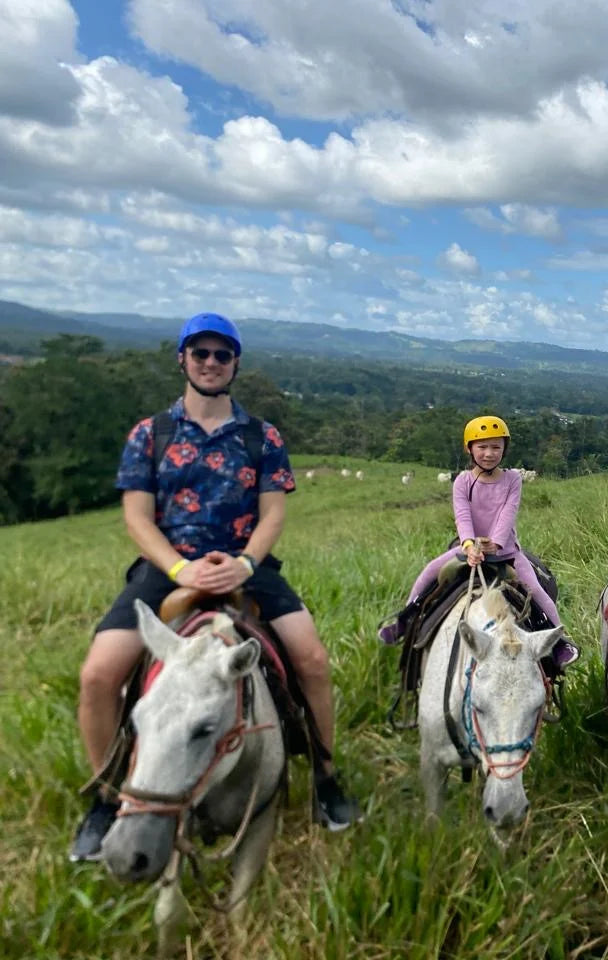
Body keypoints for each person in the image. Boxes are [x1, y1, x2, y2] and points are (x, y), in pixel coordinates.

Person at [70, 312, 359, 863]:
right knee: (98, 676)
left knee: (312, 660)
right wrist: (181, 570)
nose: (210, 363)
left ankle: (325, 776)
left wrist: (246, 564)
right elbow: (137, 517)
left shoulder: (261, 436)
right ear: (182, 359)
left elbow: (273, 513)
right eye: (199, 353)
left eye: (221, 355)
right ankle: (108, 798)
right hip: (167, 567)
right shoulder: (151, 433)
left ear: (235, 364)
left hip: (246, 565)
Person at [380, 416, 578, 669]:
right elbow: (462, 516)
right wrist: (468, 545)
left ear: (504, 449)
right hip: (469, 550)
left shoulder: (512, 479)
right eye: (482, 447)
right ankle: (404, 621)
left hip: (506, 553)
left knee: (537, 591)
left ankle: (560, 642)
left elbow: (508, 513)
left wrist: (495, 544)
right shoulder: (463, 481)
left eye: (496, 447)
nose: (489, 453)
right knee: (428, 573)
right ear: (470, 448)